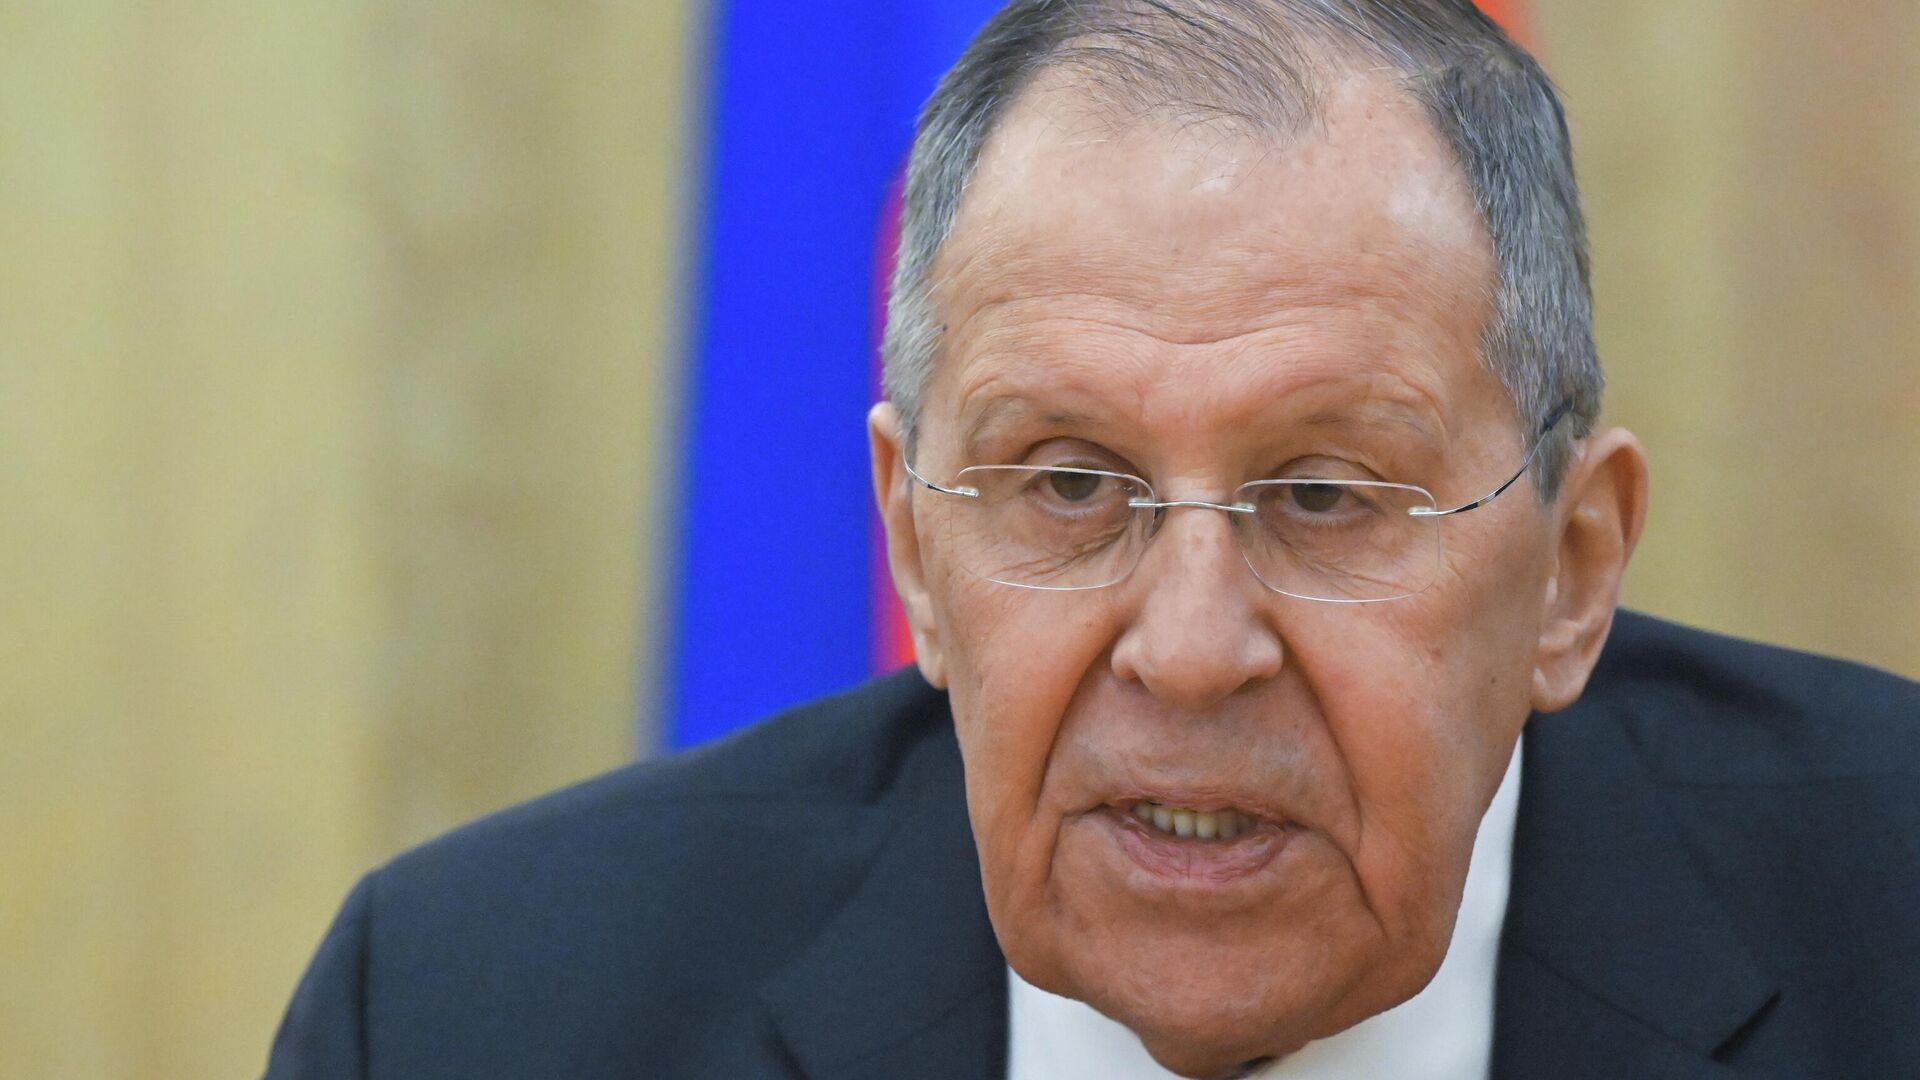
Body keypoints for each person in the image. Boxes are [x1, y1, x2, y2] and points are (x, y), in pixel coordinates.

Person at [265, 2, 1919, 1077]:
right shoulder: (472, 1019)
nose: (1190, 652)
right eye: (1067, 487)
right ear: (912, 545)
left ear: (1573, 569)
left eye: (1324, 496)